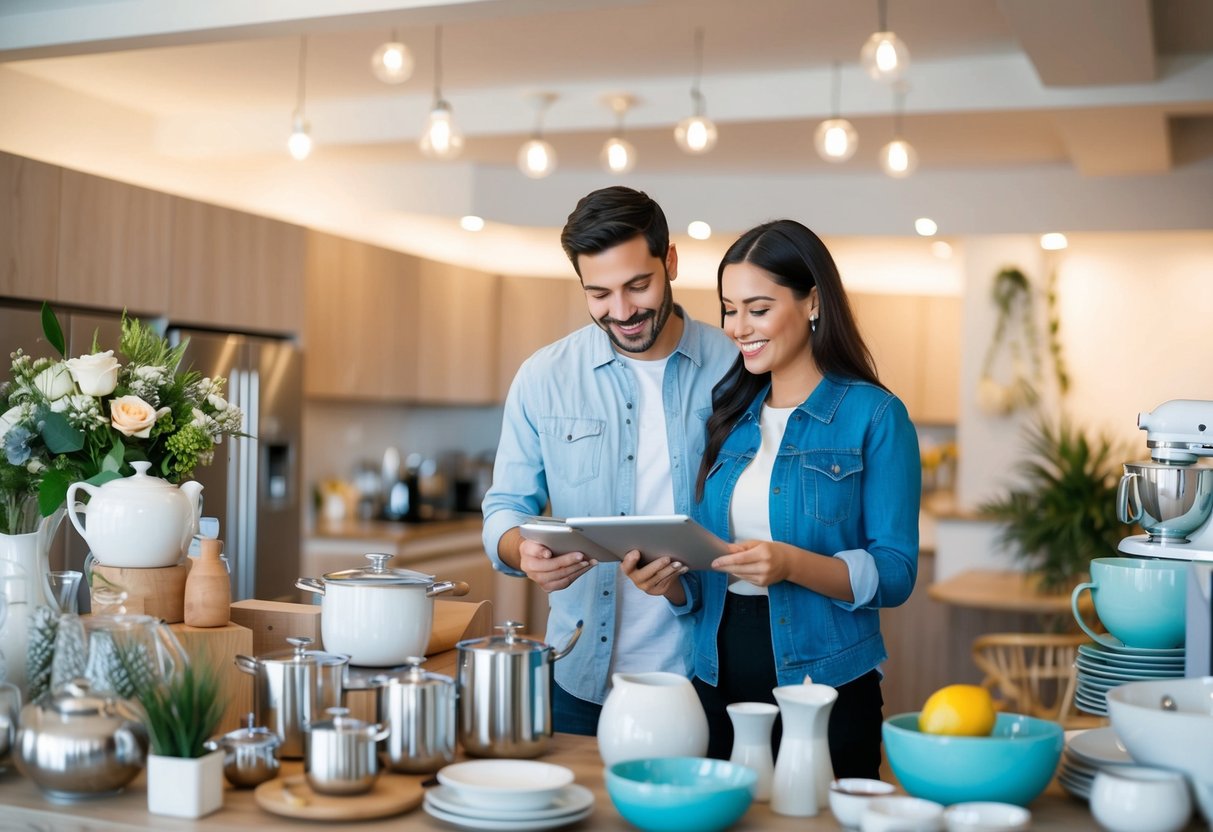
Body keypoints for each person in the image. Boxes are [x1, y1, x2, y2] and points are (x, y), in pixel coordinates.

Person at [623, 219, 920, 778]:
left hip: (824, 690)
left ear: (812, 302)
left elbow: (897, 573)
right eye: (729, 309)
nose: (738, 328)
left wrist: (790, 564)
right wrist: (671, 587)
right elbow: (708, 578)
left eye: (757, 309)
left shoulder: (875, 416)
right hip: (715, 683)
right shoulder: (728, 419)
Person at [481, 185, 738, 735]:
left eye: (637, 285)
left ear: (669, 262)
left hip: (707, 672)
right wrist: (522, 551)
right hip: (579, 674)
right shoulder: (544, 376)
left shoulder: (736, 368)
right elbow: (505, 504)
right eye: (598, 293)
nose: (621, 312)